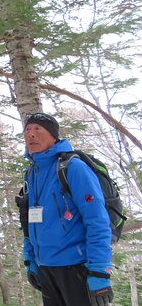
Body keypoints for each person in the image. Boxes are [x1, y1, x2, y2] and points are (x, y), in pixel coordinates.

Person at [20, 113, 113, 306]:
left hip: (77, 268)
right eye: (28, 130)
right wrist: (30, 258)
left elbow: (97, 220)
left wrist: (99, 270)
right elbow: (29, 220)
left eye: (38, 129)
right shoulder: (31, 174)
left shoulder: (73, 168)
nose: (31, 135)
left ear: (53, 135)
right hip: (46, 269)